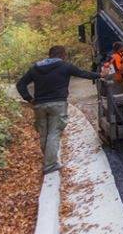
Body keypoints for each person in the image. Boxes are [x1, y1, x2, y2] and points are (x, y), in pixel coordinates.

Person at [16, 46, 99, 174]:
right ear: (62, 55)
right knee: (54, 133)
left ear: (50, 55)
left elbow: (20, 84)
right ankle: (50, 165)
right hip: (57, 104)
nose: (65, 57)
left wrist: (29, 99)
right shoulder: (65, 66)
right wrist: (100, 75)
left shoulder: (35, 68)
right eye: (65, 55)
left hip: (39, 105)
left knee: (44, 134)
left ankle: (48, 159)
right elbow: (83, 74)